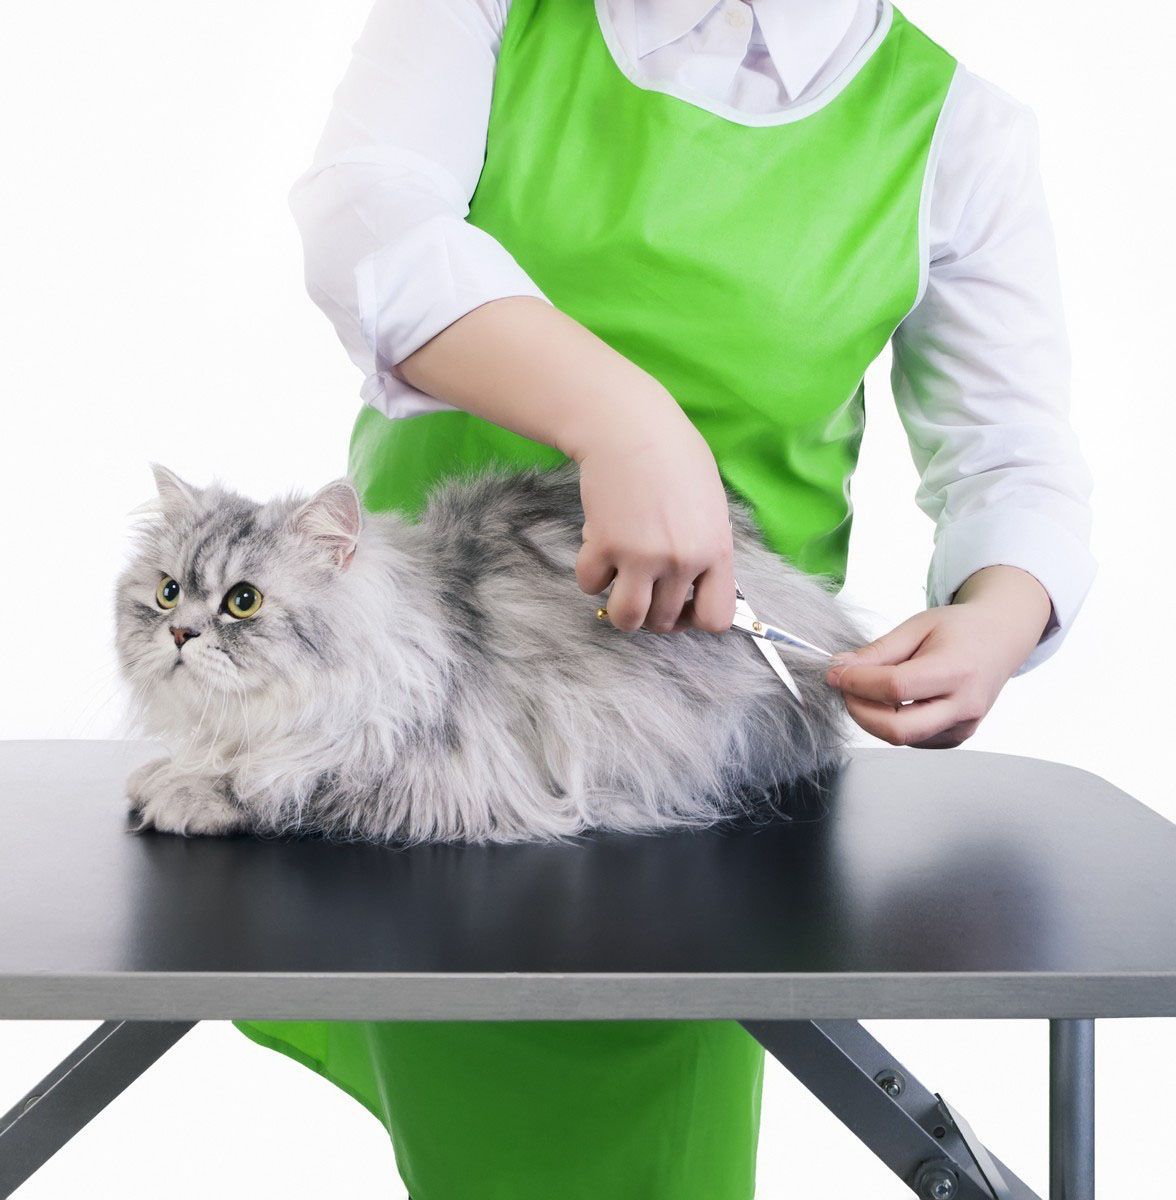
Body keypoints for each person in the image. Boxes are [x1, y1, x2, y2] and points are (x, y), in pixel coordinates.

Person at [236, 1, 1096, 1196]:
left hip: (675, 763)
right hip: (391, 713)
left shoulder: (957, 130)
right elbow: (363, 214)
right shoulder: (491, 14)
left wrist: (998, 618)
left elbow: (1012, 458)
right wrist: (618, 417)